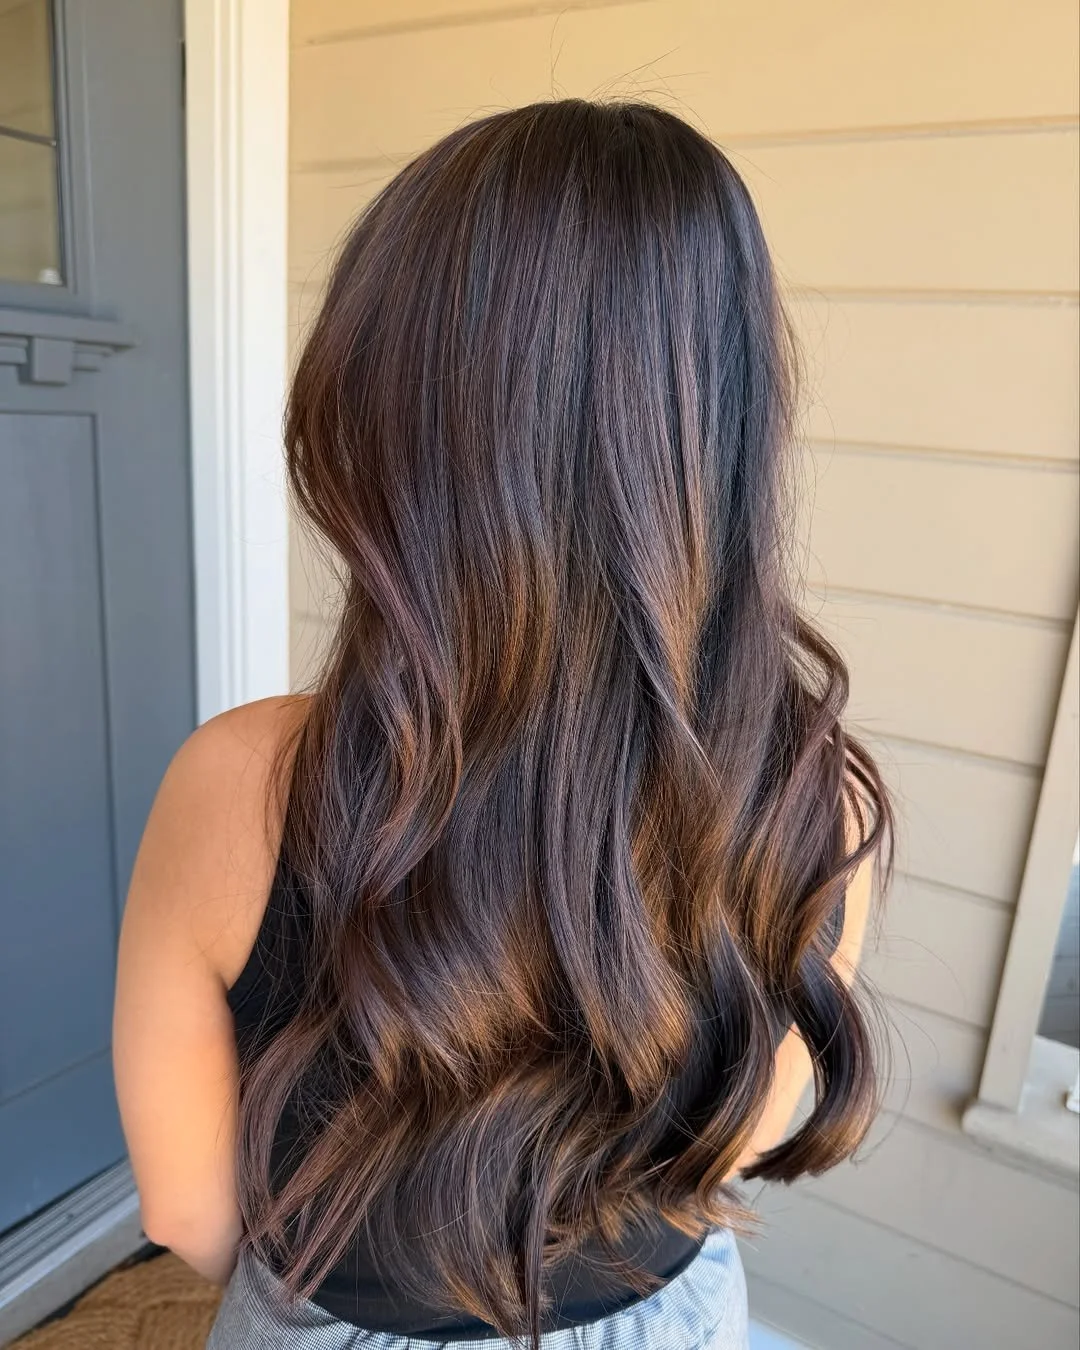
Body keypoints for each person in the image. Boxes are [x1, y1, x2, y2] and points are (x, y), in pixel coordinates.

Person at [113, 99, 890, 1350]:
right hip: (674, 1318)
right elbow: (737, 1140)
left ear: (379, 414)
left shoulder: (237, 785)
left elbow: (190, 1210)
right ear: (729, 424)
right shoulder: (820, 799)